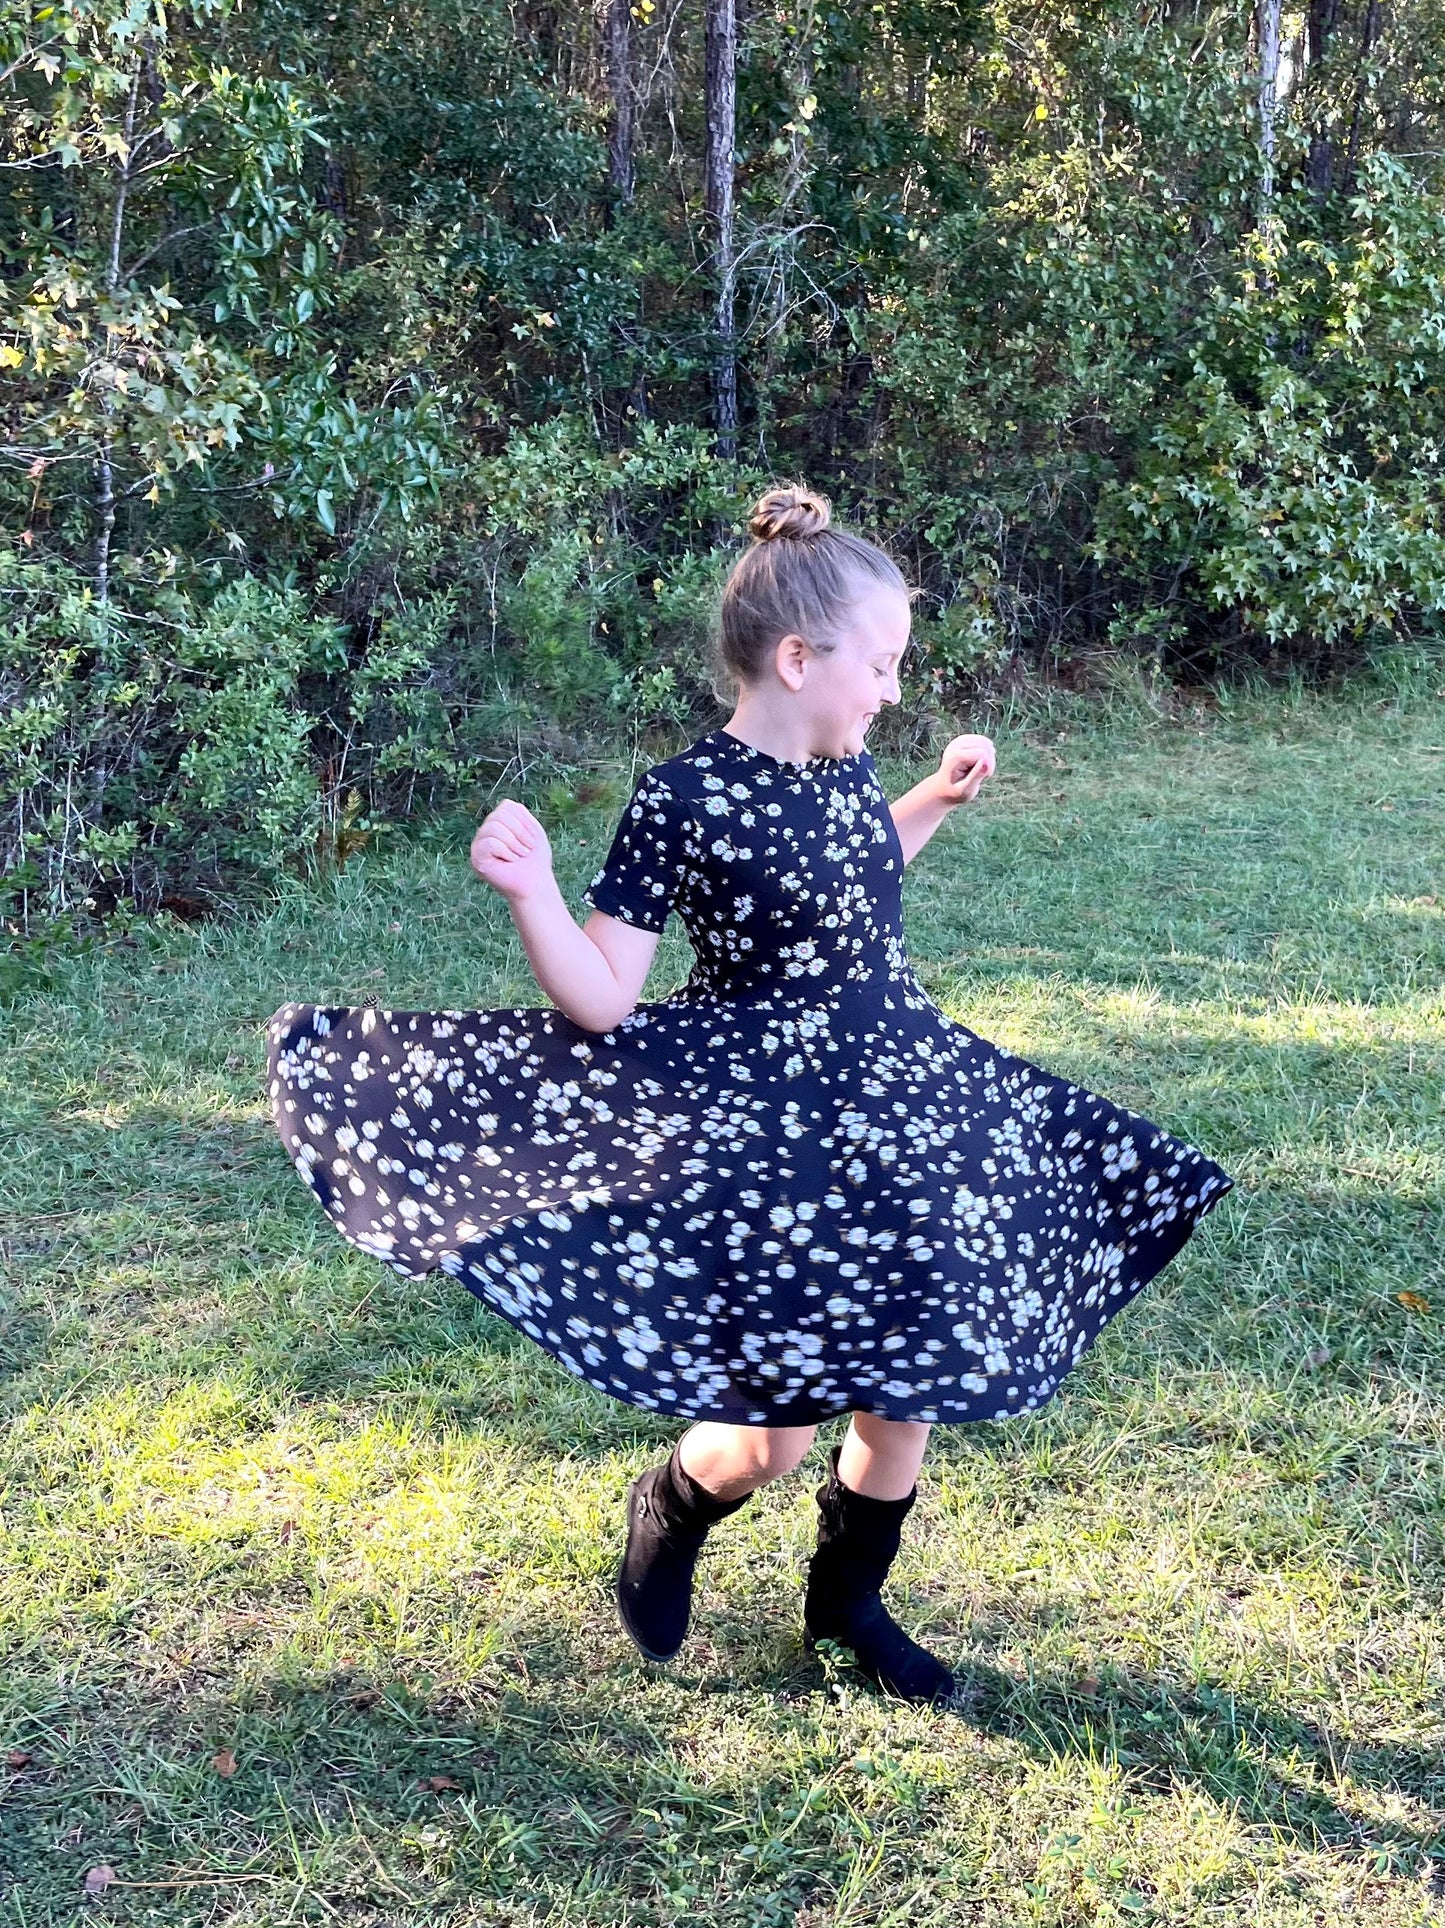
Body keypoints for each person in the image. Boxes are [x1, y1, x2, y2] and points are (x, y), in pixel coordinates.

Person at [267, 483, 1234, 1707]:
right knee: (769, 1435)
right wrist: (534, 895)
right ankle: (671, 1503)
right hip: (764, 1121)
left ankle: (846, 1605)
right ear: (795, 658)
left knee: (908, 1372)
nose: (889, 689)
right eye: (878, 666)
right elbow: (605, 998)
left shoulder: (846, 770)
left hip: (898, 1093)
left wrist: (929, 798)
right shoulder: (679, 797)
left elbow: (849, 871)